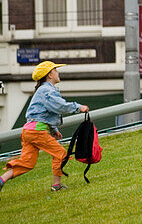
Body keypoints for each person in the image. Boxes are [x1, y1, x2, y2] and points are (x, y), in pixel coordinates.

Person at [0, 61, 89, 194]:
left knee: (27, 162)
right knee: (60, 154)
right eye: (56, 70)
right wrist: (78, 107)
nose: (58, 73)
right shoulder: (47, 90)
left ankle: (1, 180)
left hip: (29, 131)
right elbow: (59, 106)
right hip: (36, 131)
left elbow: (47, 112)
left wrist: (53, 130)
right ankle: (57, 185)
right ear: (49, 75)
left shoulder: (43, 90)